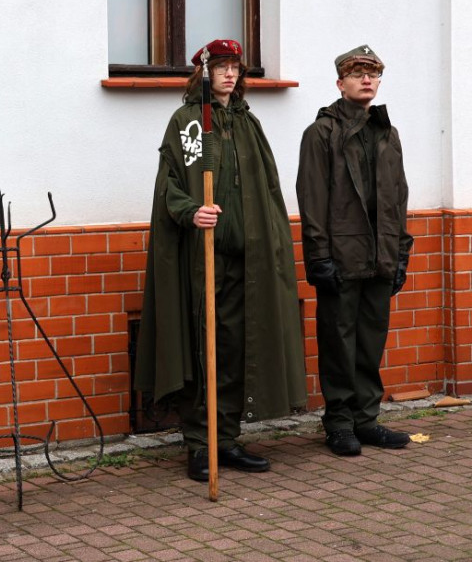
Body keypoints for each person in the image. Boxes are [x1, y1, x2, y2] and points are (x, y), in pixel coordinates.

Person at [134, 39, 307, 482]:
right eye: (222, 67)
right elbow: (168, 184)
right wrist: (193, 210)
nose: (230, 74)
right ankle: (199, 444)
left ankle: (226, 439)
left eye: (236, 68)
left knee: (234, 347)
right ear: (204, 73)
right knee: (202, 346)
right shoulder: (189, 122)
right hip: (201, 257)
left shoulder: (248, 125)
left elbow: (266, 191)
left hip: (244, 262)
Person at [297, 45, 413, 456]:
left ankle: (366, 420)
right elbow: (311, 199)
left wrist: (401, 251)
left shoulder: (387, 133)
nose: (367, 79)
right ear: (340, 83)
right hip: (340, 259)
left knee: (370, 341)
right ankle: (339, 422)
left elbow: (398, 195)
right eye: (358, 73)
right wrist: (319, 256)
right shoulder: (321, 134)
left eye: (373, 73)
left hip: (380, 257)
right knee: (338, 343)